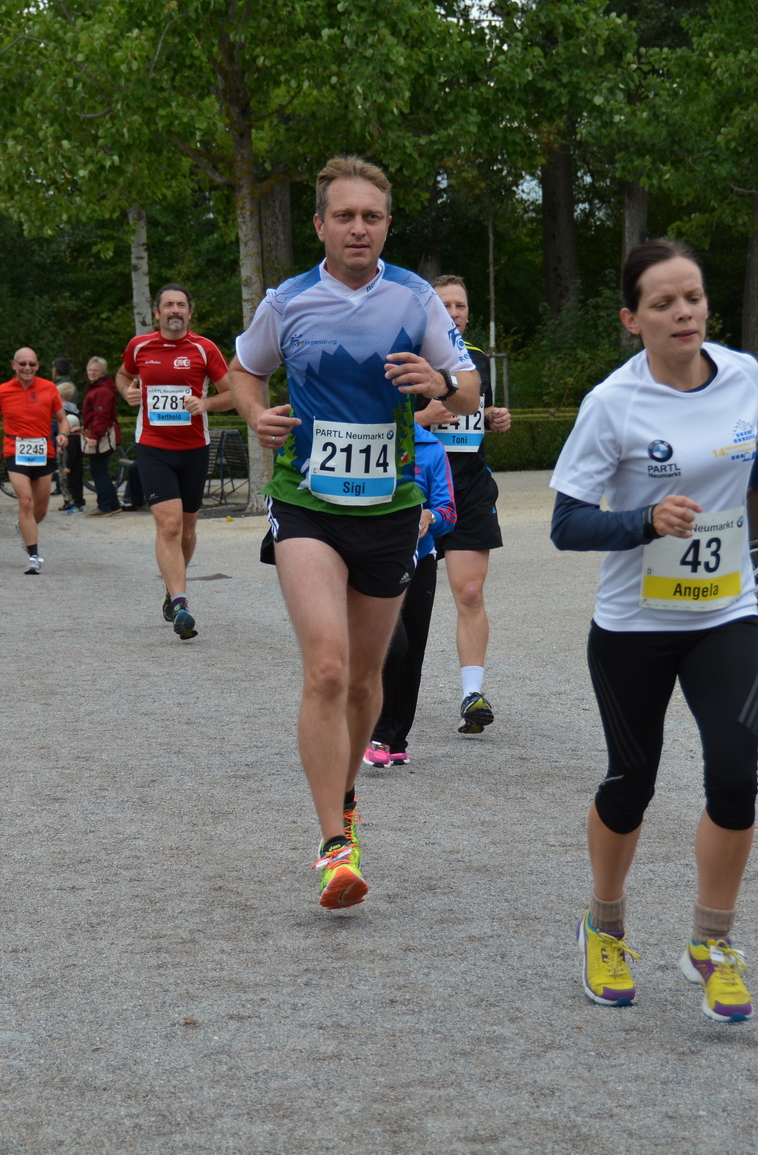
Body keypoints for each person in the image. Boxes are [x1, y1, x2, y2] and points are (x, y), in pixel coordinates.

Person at [549, 238, 758, 1020]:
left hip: (725, 611)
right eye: (663, 303)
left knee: (735, 774)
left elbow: (735, 449)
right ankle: (603, 924)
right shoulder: (612, 404)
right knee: (631, 783)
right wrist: (643, 520)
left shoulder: (740, 373)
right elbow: (566, 523)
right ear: (632, 318)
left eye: (693, 297)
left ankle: (713, 941)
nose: (683, 312)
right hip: (633, 624)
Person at [231, 155, 480, 909]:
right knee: (329, 668)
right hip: (306, 502)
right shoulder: (289, 300)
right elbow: (246, 370)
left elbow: (468, 385)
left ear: (387, 225)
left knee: (368, 679)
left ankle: (344, 801)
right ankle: (333, 845)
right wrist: (254, 413)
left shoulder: (413, 299)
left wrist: (440, 384)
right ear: (320, 225)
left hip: (390, 507)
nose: (358, 227)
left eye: (371, 216)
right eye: (344, 215)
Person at [417, 275, 513, 735]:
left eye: (460, 304)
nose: (453, 312)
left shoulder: (475, 360)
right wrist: (421, 418)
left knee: (470, 592)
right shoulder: (409, 356)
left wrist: (494, 418)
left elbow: (476, 417)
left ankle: (472, 694)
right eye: (444, 304)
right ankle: (378, 692)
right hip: (415, 487)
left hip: (470, 487)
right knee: (395, 598)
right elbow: (378, 425)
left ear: (468, 313)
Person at [119, 284, 232, 639]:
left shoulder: (204, 348)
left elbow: (232, 393)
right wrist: (127, 391)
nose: (174, 310)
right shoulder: (140, 347)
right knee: (168, 525)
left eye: (181, 305)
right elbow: (123, 375)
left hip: (194, 448)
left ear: (189, 311)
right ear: (157, 312)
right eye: (168, 304)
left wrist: (206, 404)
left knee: (186, 527)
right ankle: (182, 603)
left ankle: (172, 587)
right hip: (153, 446)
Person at [364, 421, 456, 766]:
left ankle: (398, 737)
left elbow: (449, 511)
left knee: (413, 652)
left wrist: (430, 517)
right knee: (394, 645)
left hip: (420, 560)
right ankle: (378, 733)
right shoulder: (362, 433)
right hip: (372, 559)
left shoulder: (430, 448)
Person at [0, 348, 69, 574]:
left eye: (31, 364)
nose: (27, 368)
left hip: (44, 450)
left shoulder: (49, 388)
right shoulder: (1, 391)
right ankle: (34, 557)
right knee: (25, 501)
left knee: (40, 509)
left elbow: (62, 419)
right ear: (14, 365)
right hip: (15, 449)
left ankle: (23, 526)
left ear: (37, 366)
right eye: (22, 364)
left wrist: (63, 434)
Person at [80, 357, 122, 516]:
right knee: (100, 471)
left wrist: (94, 436)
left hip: (100, 437)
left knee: (99, 472)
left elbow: (101, 416)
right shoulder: (99, 388)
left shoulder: (102, 391)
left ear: (103, 372)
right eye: (90, 370)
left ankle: (105, 506)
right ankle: (112, 504)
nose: (92, 373)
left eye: (95, 370)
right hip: (100, 435)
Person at [53, 357, 85, 514]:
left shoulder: (57, 388)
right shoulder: (73, 387)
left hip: (65, 442)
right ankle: (76, 500)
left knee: (66, 471)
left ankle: (70, 499)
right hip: (75, 442)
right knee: (76, 473)